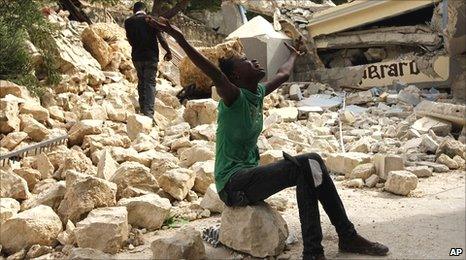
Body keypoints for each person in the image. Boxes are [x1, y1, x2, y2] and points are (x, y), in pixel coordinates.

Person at [148, 17, 389, 260]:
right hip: (232, 185)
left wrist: (294, 54)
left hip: (249, 178)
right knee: (303, 167)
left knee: (313, 160)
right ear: (235, 77)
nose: (251, 61)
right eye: (244, 62)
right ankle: (317, 251)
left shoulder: (258, 93)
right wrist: (179, 38)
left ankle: (345, 237)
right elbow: (210, 69)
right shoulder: (233, 96)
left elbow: (283, 74)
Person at [124, 2, 172, 118]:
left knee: (141, 81)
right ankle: (149, 114)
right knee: (150, 83)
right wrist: (168, 51)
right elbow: (161, 38)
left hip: (137, 57)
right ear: (145, 10)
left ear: (134, 10)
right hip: (151, 57)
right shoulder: (150, 20)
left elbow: (130, 40)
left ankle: (142, 109)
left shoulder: (128, 22)